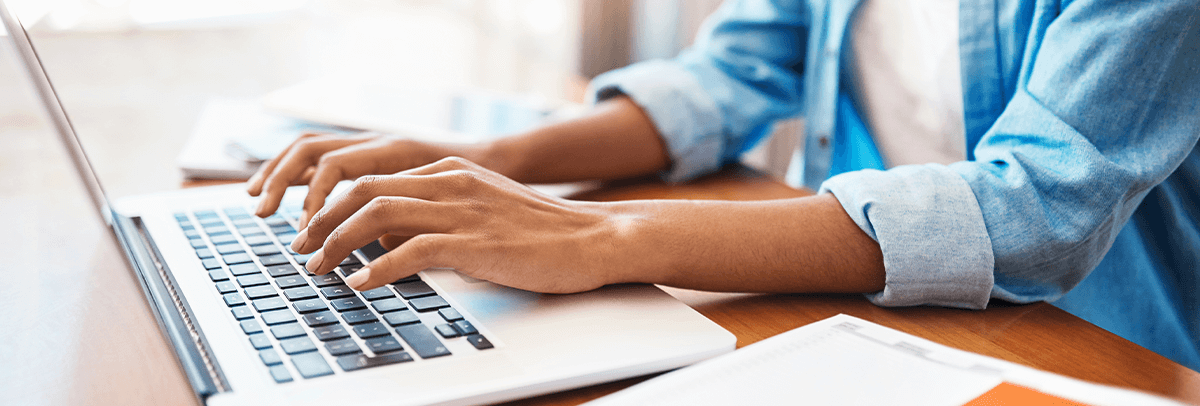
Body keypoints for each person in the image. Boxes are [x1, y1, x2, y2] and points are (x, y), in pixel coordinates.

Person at [248, 0, 1200, 370]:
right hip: (873, 319)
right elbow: (731, 74)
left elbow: (1038, 207)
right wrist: (489, 168)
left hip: (1097, 352)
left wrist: (601, 237)